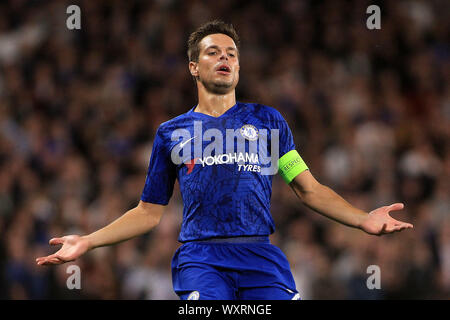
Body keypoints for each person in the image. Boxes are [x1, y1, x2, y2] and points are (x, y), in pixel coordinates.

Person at [36, 20, 413, 300]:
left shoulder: (269, 122)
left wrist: (363, 219)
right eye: (213, 52)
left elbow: (308, 190)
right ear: (193, 68)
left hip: (261, 256)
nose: (225, 58)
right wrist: (89, 241)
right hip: (201, 260)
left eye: (232, 54)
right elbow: (149, 212)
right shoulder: (172, 132)